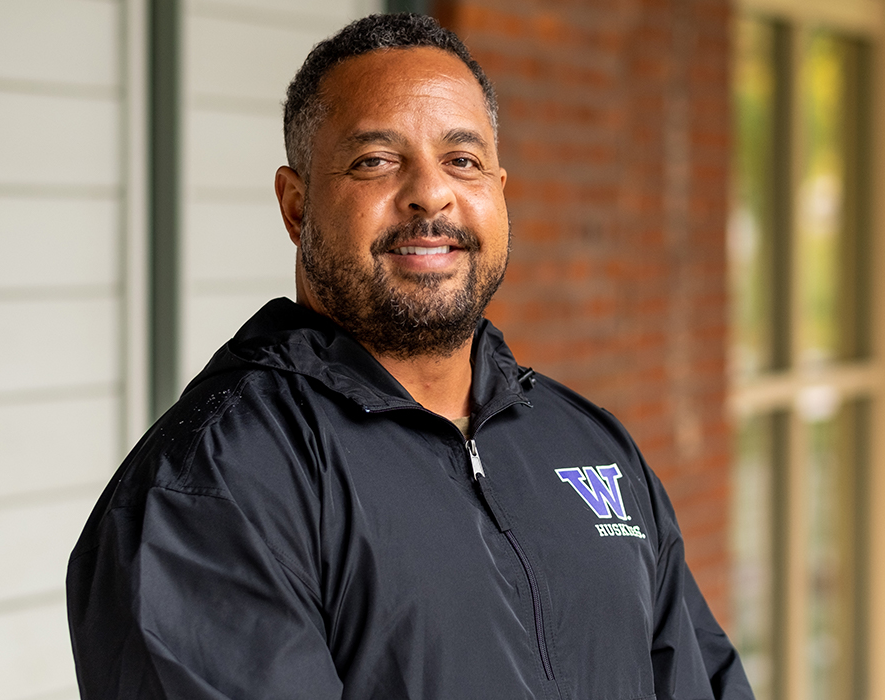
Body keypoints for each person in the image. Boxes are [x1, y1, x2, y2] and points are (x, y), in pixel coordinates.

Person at [67, 13, 754, 700]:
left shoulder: (591, 445)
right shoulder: (213, 488)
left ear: (499, 193)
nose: (431, 192)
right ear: (296, 206)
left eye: (463, 160)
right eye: (376, 161)